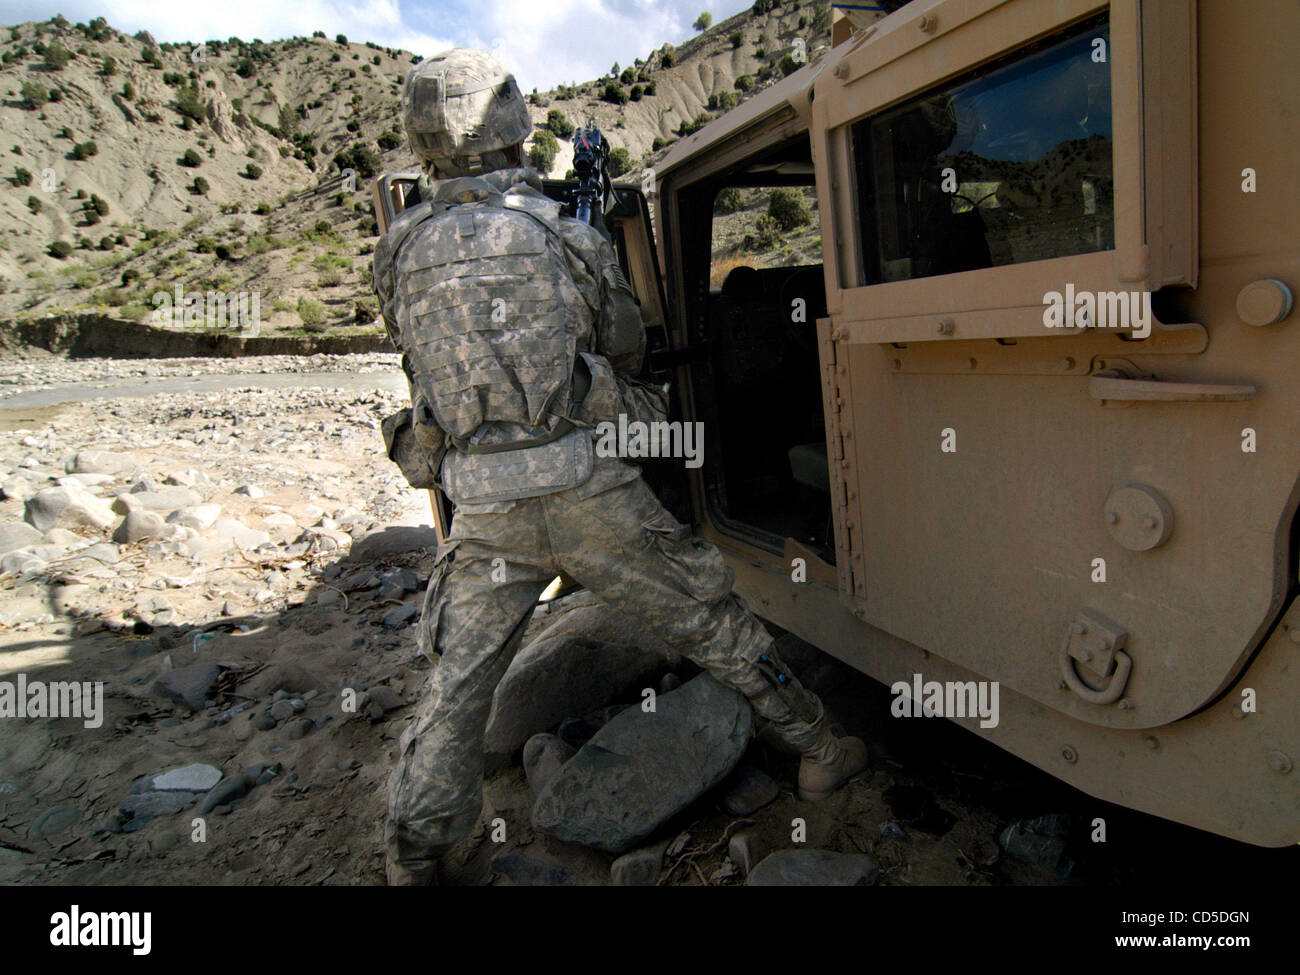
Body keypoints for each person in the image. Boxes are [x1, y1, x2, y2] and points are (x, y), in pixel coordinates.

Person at [372, 48, 867, 885]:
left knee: (457, 687)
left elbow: (418, 362)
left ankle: (416, 851)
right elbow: (628, 343)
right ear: (515, 136)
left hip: (484, 503)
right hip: (588, 485)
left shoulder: (397, 250)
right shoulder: (561, 235)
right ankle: (819, 748)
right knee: (712, 618)